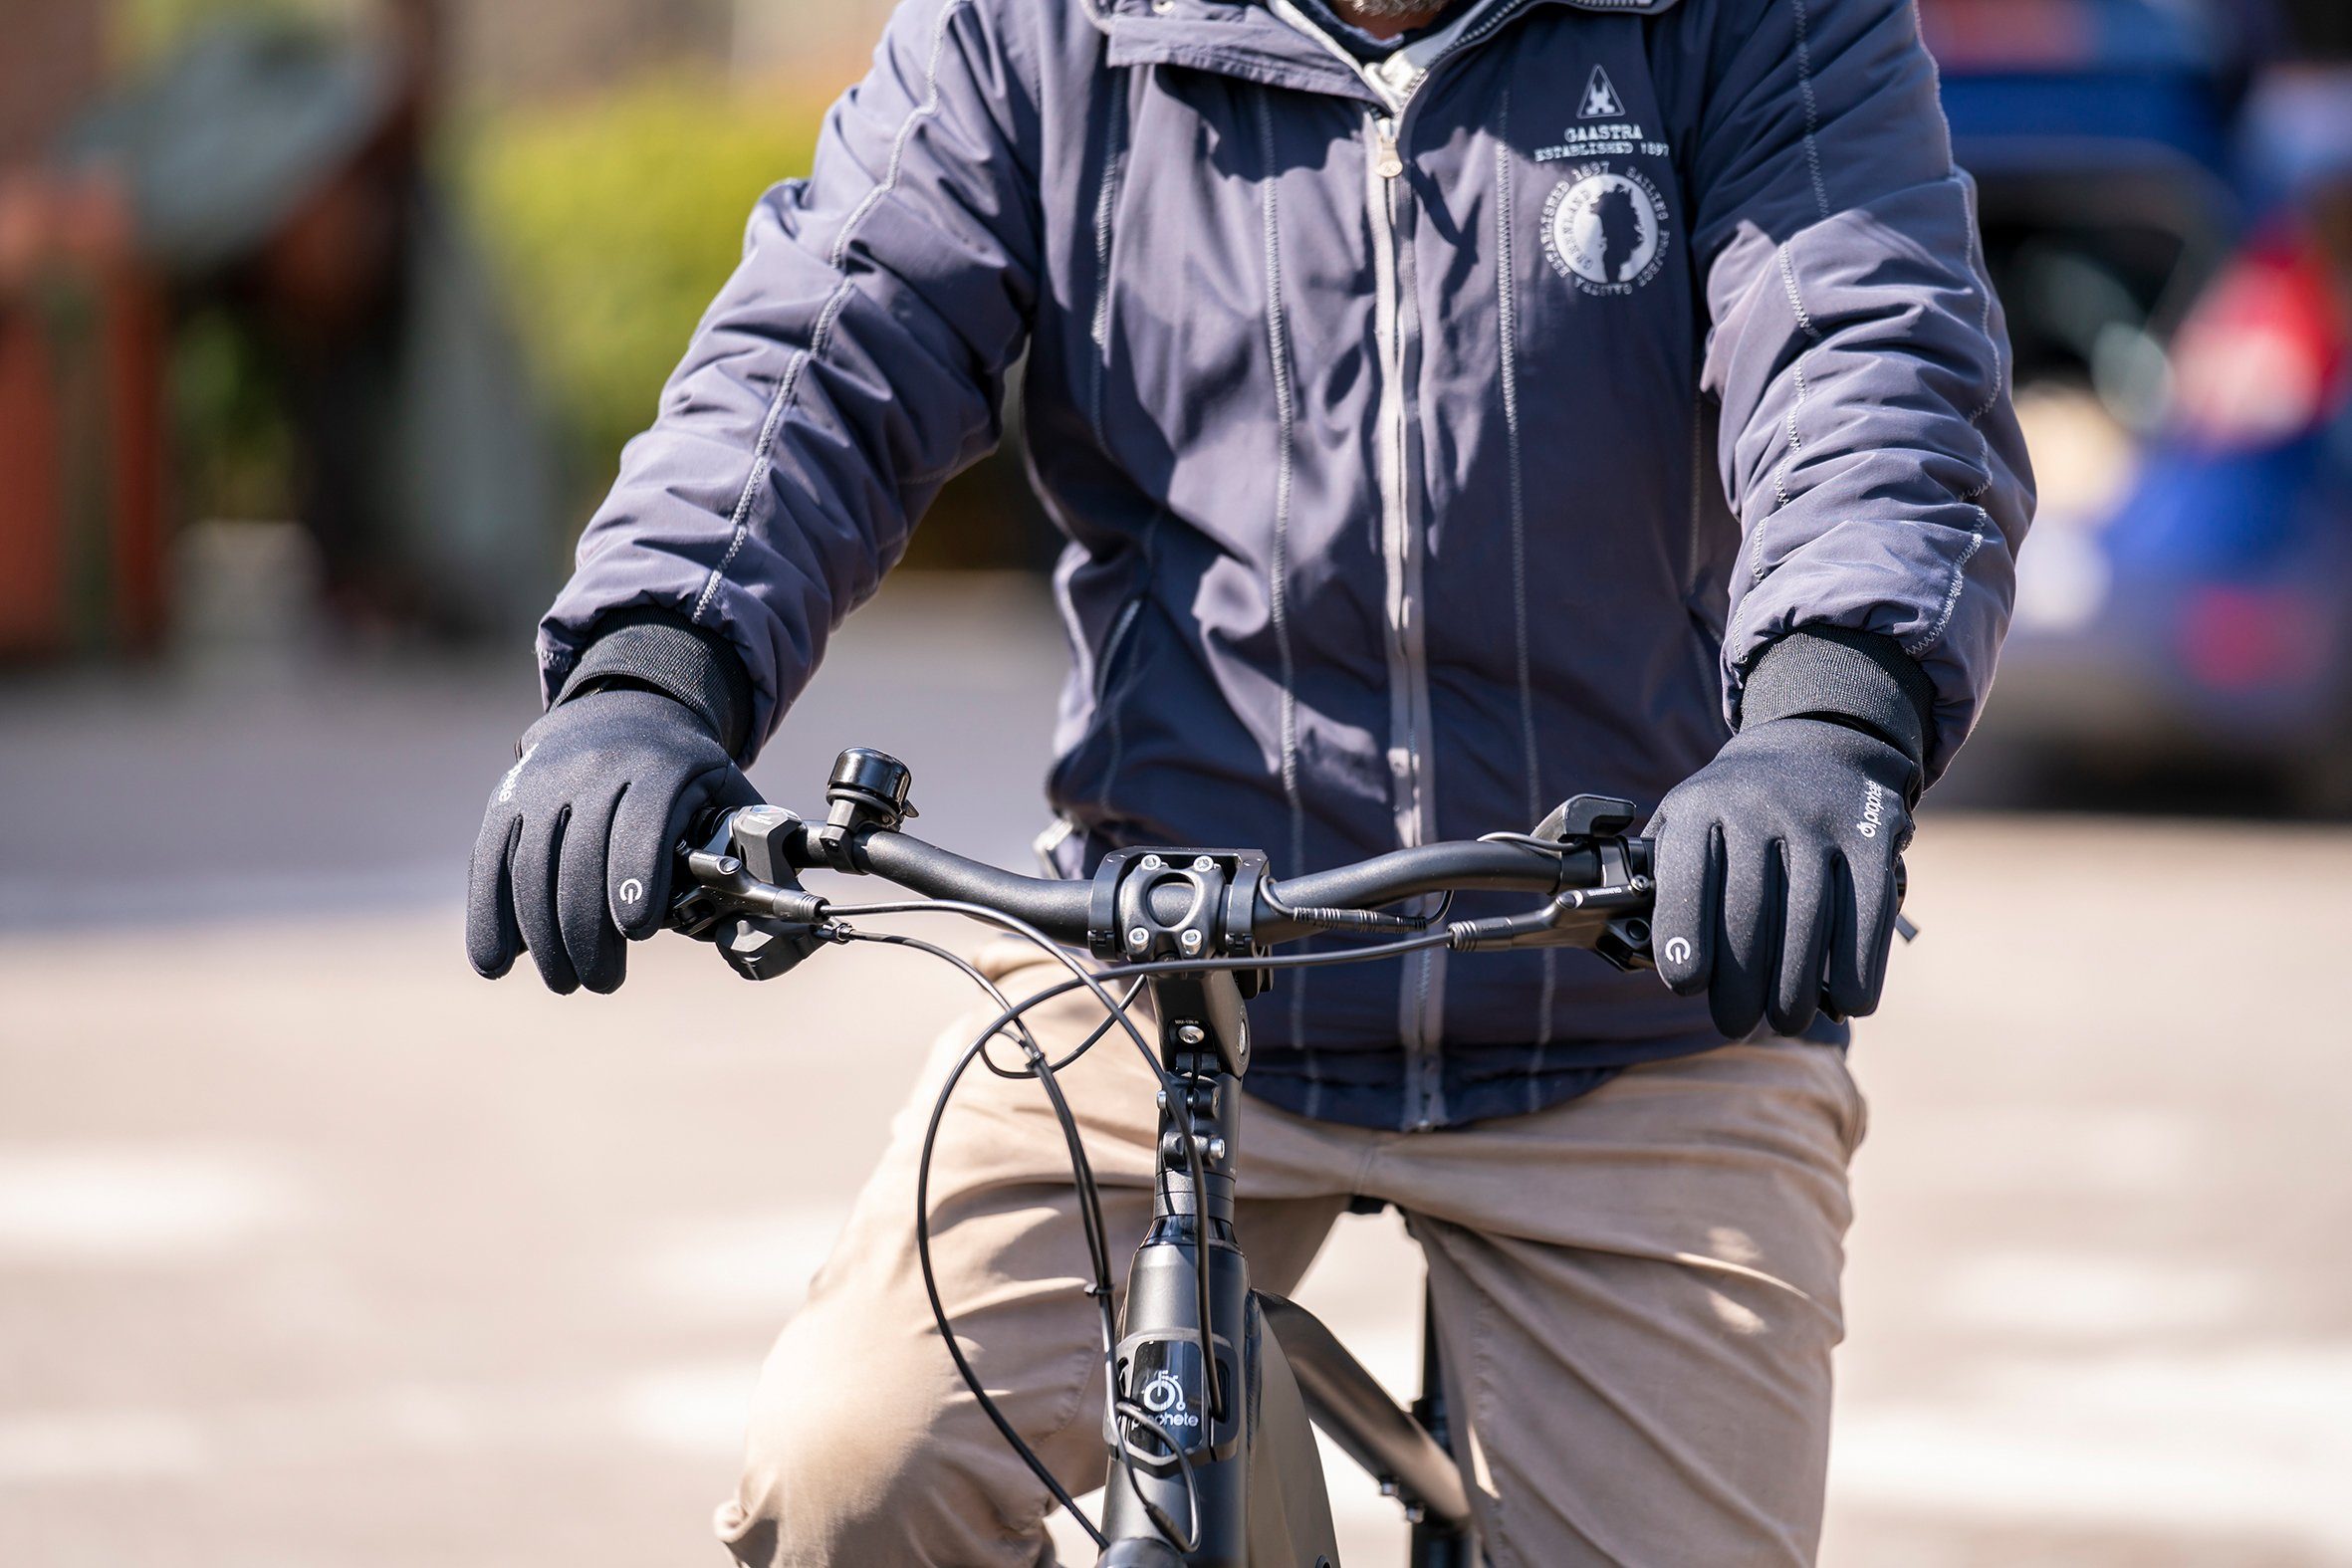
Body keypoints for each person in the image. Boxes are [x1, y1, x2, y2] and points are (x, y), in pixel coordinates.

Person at [467, 0, 2031, 1561]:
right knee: (855, 1479)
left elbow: (1865, 350)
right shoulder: (1049, 27)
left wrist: (1821, 719)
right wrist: (649, 673)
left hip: (1633, 986)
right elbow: (828, 339)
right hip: (1167, 977)